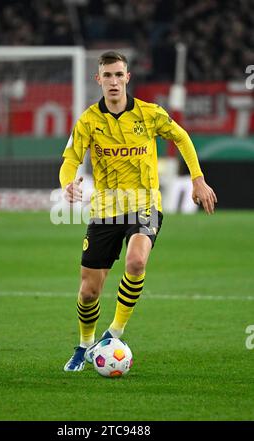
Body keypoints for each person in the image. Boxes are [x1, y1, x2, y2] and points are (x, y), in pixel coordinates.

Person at [59, 51, 217, 371]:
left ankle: (113, 333)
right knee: (89, 292)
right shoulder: (88, 120)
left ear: (128, 78)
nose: (114, 81)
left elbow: (182, 138)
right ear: (98, 79)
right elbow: (70, 161)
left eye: (119, 75)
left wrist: (198, 180)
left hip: (145, 204)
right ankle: (85, 344)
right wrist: (67, 184)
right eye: (108, 75)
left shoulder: (150, 114)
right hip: (106, 210)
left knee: (136, 260)